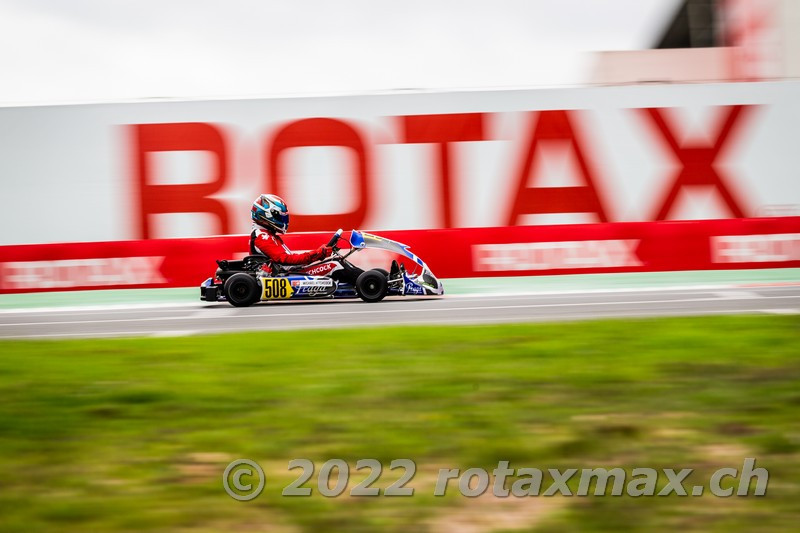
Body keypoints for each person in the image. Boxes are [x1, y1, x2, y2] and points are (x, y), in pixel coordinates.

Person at [249, 194, 332, 269]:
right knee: (334, 266)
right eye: (279, 216)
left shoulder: (269, 235)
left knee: (334, 263)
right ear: (265, 215)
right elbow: (286, 260)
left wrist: (318, 255)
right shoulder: (262, 236)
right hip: (283, 276)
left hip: (291, 273)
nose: (283, 220)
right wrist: (316, 254)